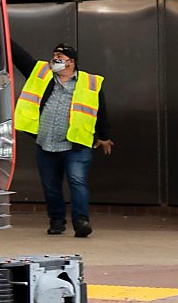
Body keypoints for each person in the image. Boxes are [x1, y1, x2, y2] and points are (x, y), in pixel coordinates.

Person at [13, 43, 113, 238]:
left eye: (60, 56)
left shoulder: (89, 82)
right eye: (54, 55)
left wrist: (104, 137)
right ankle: (57, 221)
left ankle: (81, 221)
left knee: (77, 181)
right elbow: (19, 56)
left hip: (75, 144)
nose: (55, 59)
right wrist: (0, 31)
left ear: (71, 62)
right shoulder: (42, 74)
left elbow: (101, 110)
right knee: (51, 185)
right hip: (46, 142)